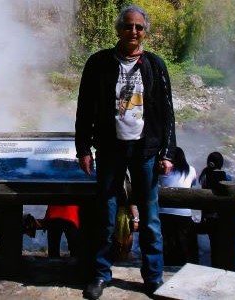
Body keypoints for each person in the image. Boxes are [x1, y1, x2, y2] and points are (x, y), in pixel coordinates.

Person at [75, 5, 176, 299]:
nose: (133, 31)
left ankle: (153, 277)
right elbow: (84, 109)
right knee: (106, 214)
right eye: (128, 26)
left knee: (151, 217)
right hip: (109, 148)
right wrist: (84, 148)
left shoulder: (155, 65)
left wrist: (167, 152)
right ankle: (101, 274)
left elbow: (166, 113)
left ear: (145, 32)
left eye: (139, 27)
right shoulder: (98, 63)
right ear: (118, 29)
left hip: (146, 150)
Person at [159, 147, 199, 266]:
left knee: (167, 242)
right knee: (184, 245)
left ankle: (167, 264)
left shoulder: (163, 171)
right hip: (184, 213)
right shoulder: (191, 170)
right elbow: (191, 185)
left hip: (164, 212)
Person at [197, 151, 233, 270]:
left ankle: (214, 266)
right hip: (223, 217)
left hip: (209, 216)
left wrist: (202, 217)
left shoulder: (204, 176)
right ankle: (223, 267)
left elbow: (203, 199)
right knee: (223, 244)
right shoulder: (226, 176)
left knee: (213, 244)